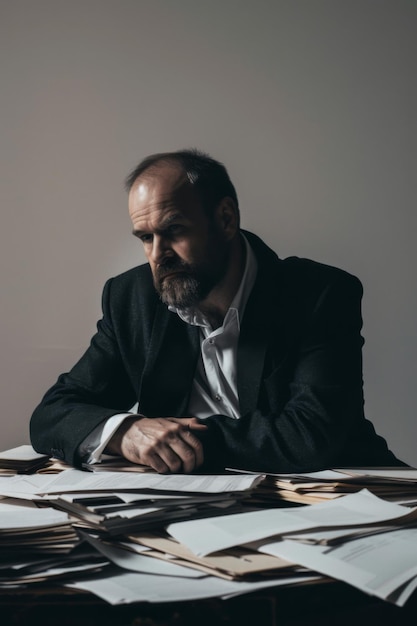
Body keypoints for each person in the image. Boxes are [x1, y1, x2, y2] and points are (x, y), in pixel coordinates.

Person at [30, 149, 403, 474]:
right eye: (146, 237)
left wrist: (178, 442)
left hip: (348, 497)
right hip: (202, 508)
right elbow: (53, 414)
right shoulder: (131, 298)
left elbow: (310, 434)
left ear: (226, 218)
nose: (157, 255)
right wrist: (125, 433)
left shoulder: (318, 294)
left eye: (173, 230)